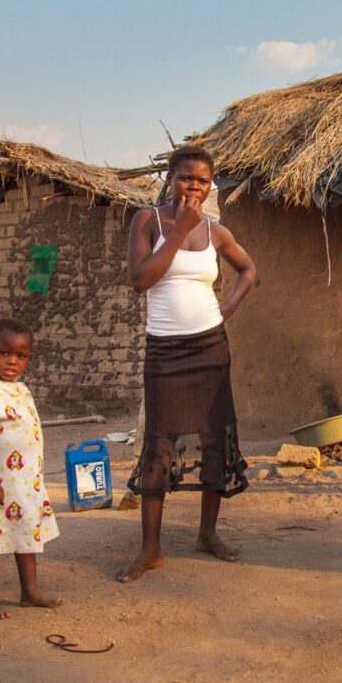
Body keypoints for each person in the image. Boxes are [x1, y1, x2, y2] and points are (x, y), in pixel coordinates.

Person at [118, 145, 258, 583]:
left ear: (209, 184)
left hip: (210, 349)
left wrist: (224, 312)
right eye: (185, 178)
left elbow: (249, 271)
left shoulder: (217, 231)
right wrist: (179, 231)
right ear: (170, 179)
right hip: (165, 352)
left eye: (201, 180)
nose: (193, 186)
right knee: (159, 445)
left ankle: (207, 534)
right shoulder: (148, 221)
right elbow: (141, 280)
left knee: (214, 439)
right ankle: (150, 549)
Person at [0, 318, 61, 619]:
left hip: (26, 482)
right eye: (4, 353)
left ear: (28, 358)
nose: (12, 361)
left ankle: (29, 592)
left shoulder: (21, 390)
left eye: (20, 356)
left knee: (26, 535)